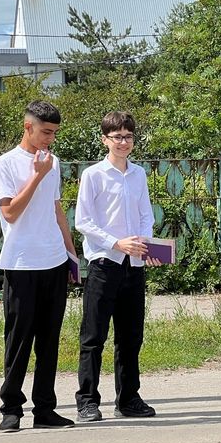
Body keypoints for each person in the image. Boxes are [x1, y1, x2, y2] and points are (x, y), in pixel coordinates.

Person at [0, 100, 77, 432]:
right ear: (28, 127)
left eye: (54, 133)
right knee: (18, 339)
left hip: (54, 260)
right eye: (45, 132)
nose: (50, 139)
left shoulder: (54, 162)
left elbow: (56, 210)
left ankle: (45, 409)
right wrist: (37, 176)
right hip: (21, 262)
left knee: (49, 341)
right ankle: (11, 408)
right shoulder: (5, 164)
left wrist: (71, 254)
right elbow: (11, 212)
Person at [74, 111, 159, 423]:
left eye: (128, 136)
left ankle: (128, 398)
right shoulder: (94, 175)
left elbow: (146, 214)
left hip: (133, 264)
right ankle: (87, 400)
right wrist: (116, 243)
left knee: (131, 336)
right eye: (117, 137)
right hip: (104, 262)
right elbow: (83, 221)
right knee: (94, 336)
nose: (123, 142)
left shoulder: (138, 174)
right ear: (104, 140)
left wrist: (145, 244)